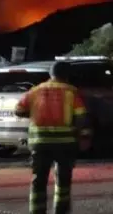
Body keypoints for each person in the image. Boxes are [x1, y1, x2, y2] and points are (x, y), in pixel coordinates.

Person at [15, 61, 91, 214]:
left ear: (51, 74)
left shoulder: (35, 91)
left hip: (39, 143)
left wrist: (35, 113)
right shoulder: (71, 91)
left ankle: (37, 211)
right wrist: (80, 134)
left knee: (38, 181)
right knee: (63, 182)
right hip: (65, 143)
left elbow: (18, 110)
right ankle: (60, 211)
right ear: (67, 76)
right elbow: (81, 116)